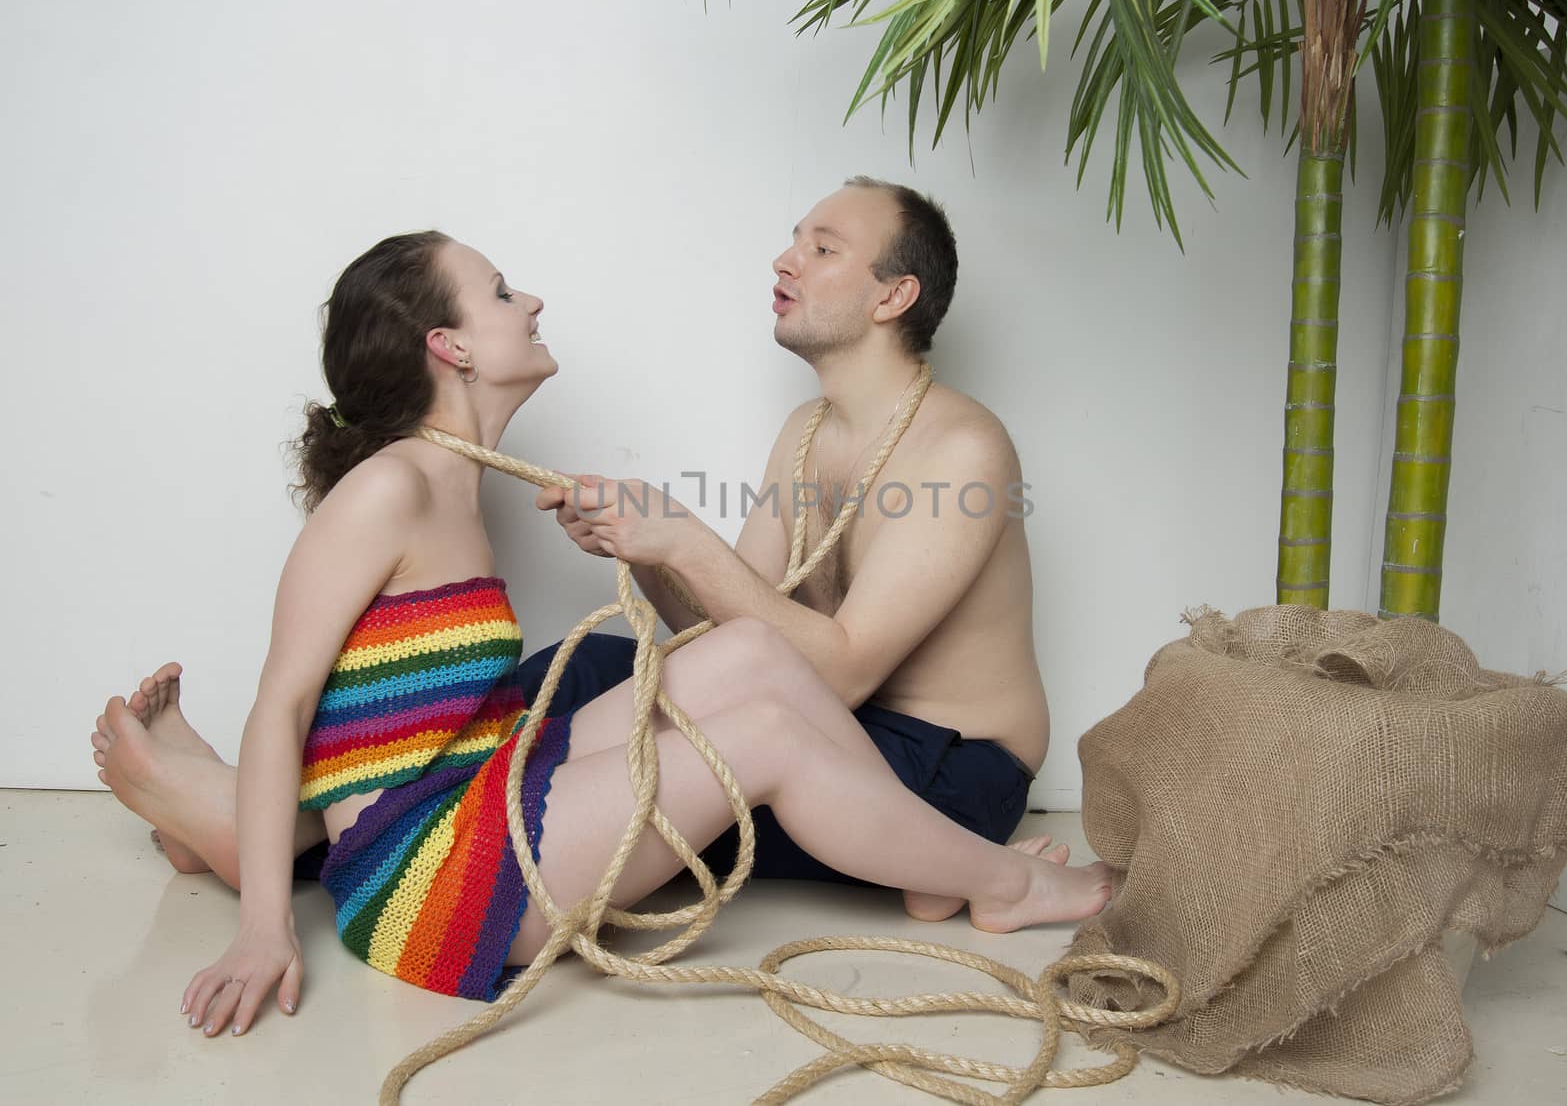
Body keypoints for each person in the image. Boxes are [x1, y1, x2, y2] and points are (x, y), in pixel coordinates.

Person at [90, 229, 1112, 1039]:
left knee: (749, 657)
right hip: (431, 880)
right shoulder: (389, 489)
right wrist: (265, 931)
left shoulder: (455, 485)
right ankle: (1010, 884)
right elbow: (285, 705)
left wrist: (653, 547)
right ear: (448, 347)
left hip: (475, 800)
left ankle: (933, 865)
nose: (528, 300)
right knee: (761, 736)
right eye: (498, 292)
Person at [538, 177, 1053, 920]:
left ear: (892, 297)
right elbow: (724, 638)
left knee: (618, 785)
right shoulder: (807, 431)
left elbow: (841, 672)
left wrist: (687, 537)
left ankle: (950, 857)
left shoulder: (962, 448)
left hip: (946, 769)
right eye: (795, 240)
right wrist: (648, 550)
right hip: (830, 723)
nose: (786, 260)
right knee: (586, 667)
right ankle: (399, 812)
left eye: (822, 248)